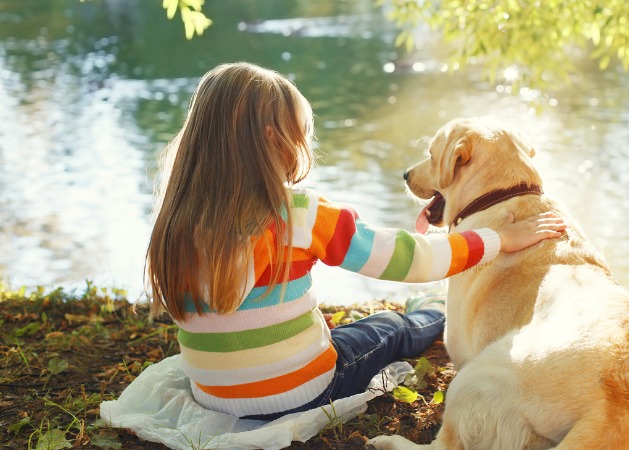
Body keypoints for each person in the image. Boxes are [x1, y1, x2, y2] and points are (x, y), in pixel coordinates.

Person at [145, 62, 566, 421]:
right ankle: (432, 314)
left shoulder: (176, 217)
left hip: (213, 397)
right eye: (301, 133)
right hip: (301, 394)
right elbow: (408, 259)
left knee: (335, 329)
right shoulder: (297, 213)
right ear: (274, 137)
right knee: (388, 328)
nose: (304, 144)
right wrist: (497, 238)